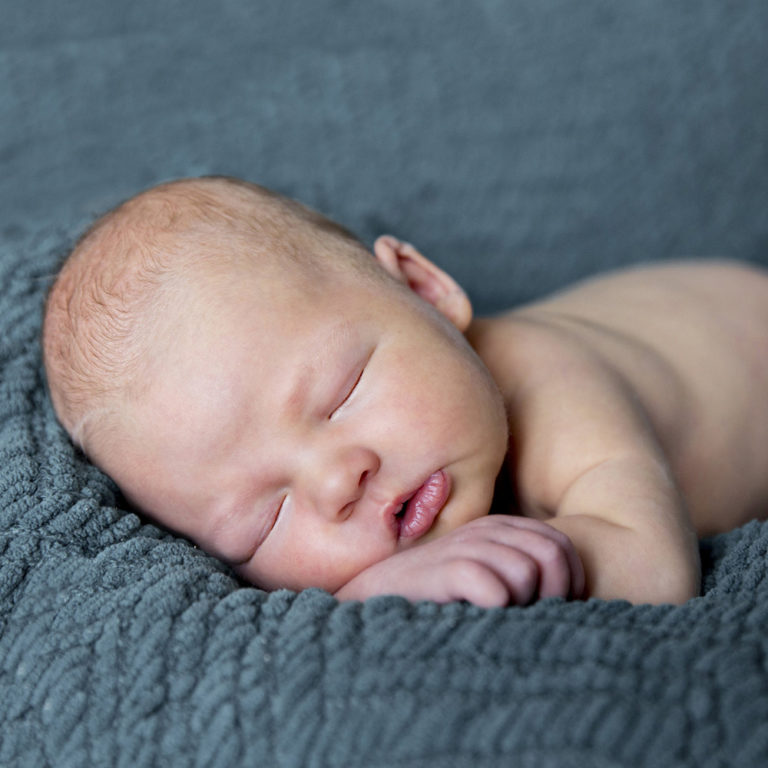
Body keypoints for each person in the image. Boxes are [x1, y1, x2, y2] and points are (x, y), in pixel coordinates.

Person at [42, 176, 768, 607]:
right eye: (262, 521)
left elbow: (658, 568)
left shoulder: (554, 384)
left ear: (425, 290)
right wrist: (375, 592)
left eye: (342, 392)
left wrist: (426, 577)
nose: (336, 481)